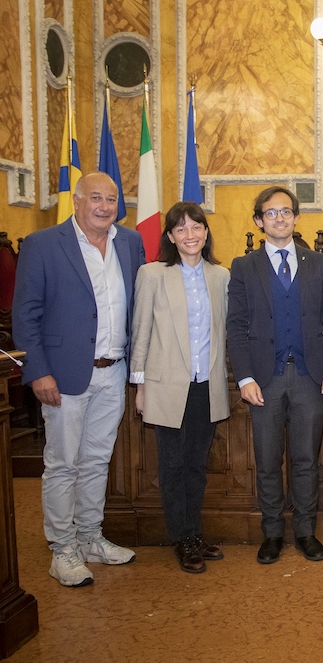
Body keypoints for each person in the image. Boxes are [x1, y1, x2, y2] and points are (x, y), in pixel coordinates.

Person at [13, 171, 146, 587]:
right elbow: (25, 314)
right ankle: (62, 549)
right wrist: (38, 372)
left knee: (96, 462)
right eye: (96, 198)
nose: (105, 206)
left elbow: (139, 306)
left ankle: (90, 538)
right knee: (62, 465)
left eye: (111, 199)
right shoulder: (42, 245)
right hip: (63, 375)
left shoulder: (129, 242)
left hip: (114, 371)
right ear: (76, 200)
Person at [226, 187, 323, 564]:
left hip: (311, 377)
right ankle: (273, 532)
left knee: (307, 459)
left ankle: (306, 531)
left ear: (296, 218)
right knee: (267, 459)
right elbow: (237, 326)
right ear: (259, 221)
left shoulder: (318, 263)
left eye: (286, 212)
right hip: (265, 380)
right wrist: (244, 378)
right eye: (271, 213)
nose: (280, 218)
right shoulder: (244, 267)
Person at [131, 202, 229, 573]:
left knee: (196, 466)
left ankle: (195, 532)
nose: (190, 235)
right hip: (166, 385)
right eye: (181, 229)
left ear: (206, 233)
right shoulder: (153, 274)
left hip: (207, 384)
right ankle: (182, 538)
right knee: (172, 465)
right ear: (170, 236)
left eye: (196, 227)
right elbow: (141, 332)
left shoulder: (221, 276)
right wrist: (139, 386)